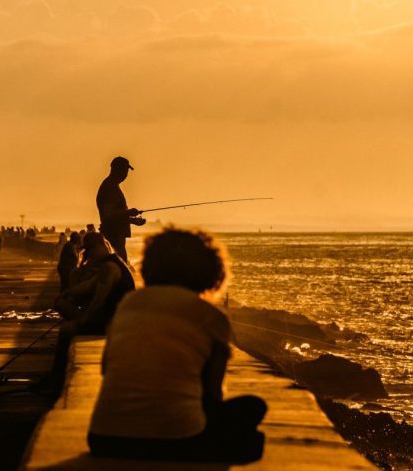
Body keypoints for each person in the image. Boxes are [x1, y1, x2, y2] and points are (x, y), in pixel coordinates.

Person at [87, 228, 266, 463]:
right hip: (176, 441)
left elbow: (105, 369)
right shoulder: (212, 317)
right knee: (254, 412)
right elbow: (212, 395)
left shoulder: (129, 303)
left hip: (104, 439)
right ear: (210, 269)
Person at [43, 233, 135, 391]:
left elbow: (99, 301)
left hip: (110, 322)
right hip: (113, 319)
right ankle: (55, 378)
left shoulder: (108, 268)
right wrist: (69, 293)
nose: (88, 254)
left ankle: (56, 381)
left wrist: (83, 321)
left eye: (90, 250)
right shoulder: (112, 263)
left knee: (66, 331)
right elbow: (88, 287)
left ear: (99, 247)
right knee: (61, 303)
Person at [96, 156, 146, 261]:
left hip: (116, 236)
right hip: (113, 236)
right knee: (121, 270)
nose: (126, 174)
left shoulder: (113, 186)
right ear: (117, 170)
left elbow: (115, 215)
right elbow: (109, 214)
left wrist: (132, 220)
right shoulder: (110, 187)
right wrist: (129, 212)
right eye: (125, 170)